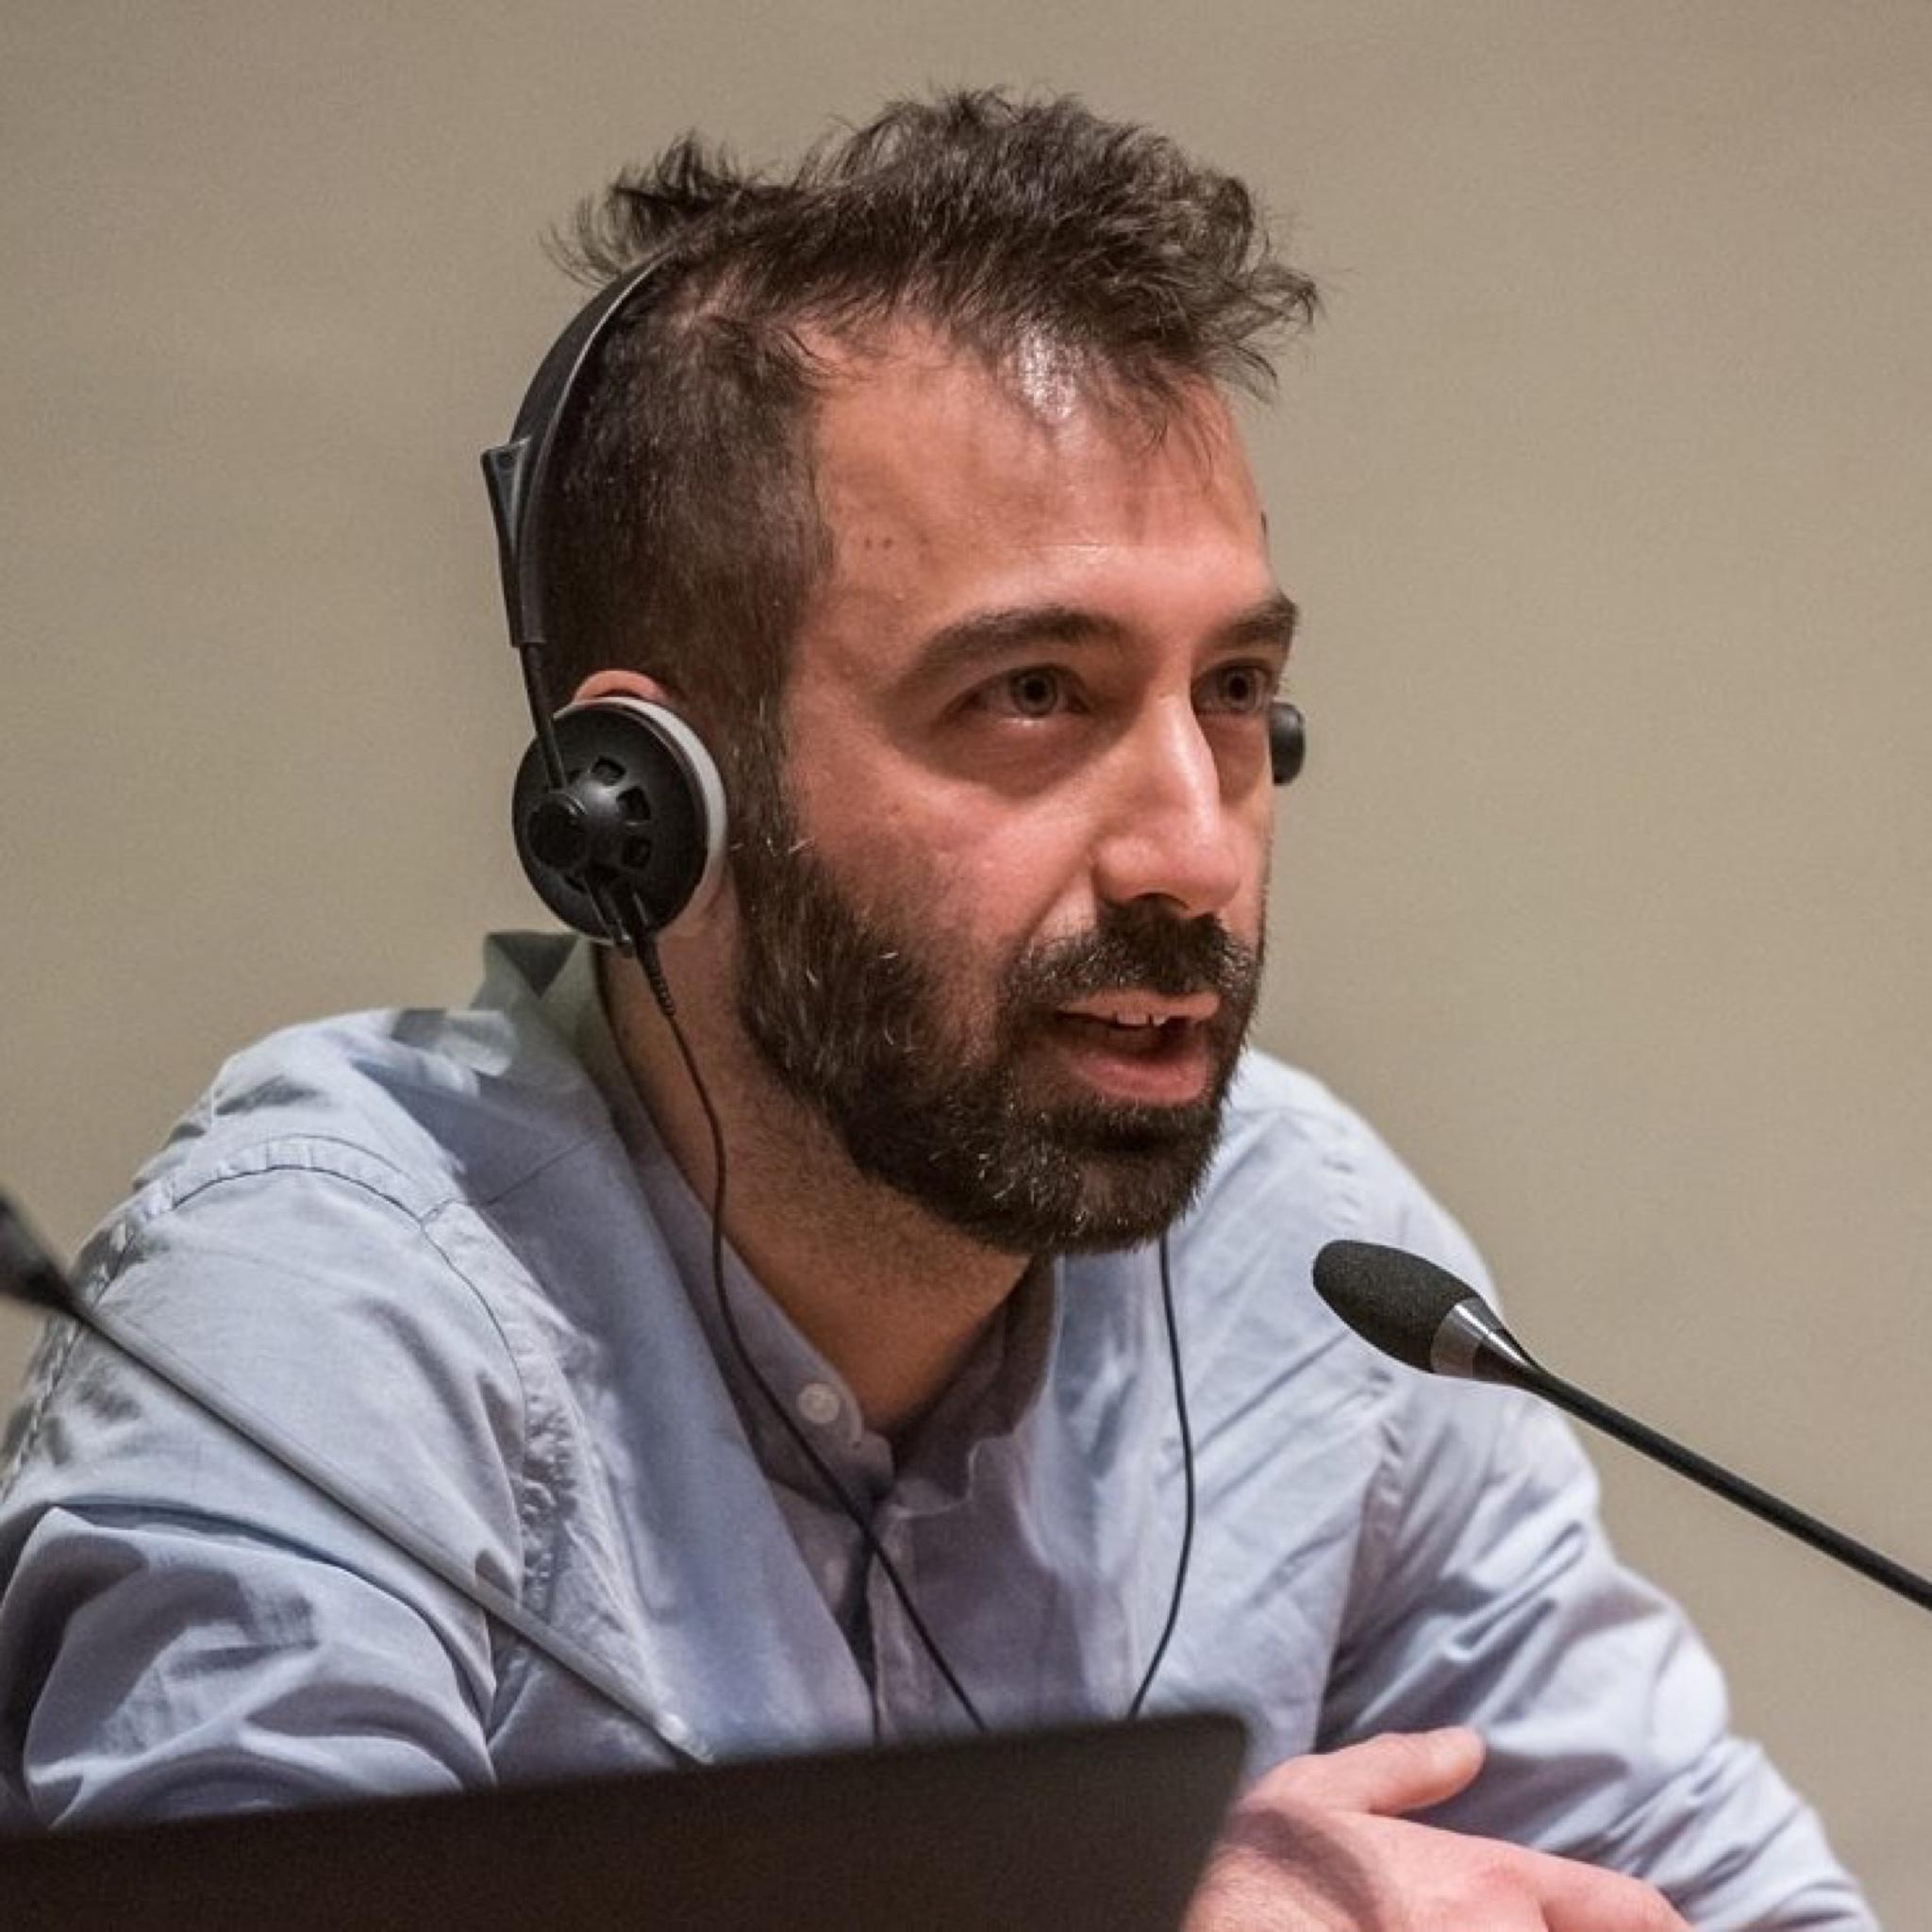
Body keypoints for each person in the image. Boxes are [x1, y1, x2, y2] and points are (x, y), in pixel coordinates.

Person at [0, 90, 1872, 1927]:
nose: (1192, 852)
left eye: (1233, 692)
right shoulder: (330, 1308)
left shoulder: (1309, 1265)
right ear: (649, 801)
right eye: (1035, 694)